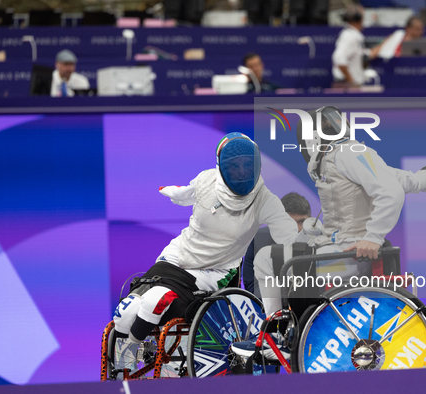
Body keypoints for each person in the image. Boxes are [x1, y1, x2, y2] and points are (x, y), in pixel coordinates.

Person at [232, 106, 426, 360]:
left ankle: (280, 336)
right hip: (335, 248)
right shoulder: (338, 157)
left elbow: (390, 192)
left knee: (269, 259)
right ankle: (279, 332)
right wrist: (425, 179)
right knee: (273, 254)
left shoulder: (349, 154)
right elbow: (398, 180)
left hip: (351, 256)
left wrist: (372, 237)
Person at [112, 132, 314, 375]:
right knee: (129, 310)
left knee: (155, 300)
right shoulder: (206, 180)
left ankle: (131, 353)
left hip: (214, 271)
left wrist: (306, 236)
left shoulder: (265, 200)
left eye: (246, 164)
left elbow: (286, 232)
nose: (241, 171)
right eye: (234, 165)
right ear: (221, 166)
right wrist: (172, 192)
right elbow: (186, 193)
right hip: (177, 255)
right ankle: (127, 356)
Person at [243, 192, 312, 295]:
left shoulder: (319, 239)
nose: (297, 228)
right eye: (290, 222)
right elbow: (253, 287)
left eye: (302, 222)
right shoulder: (257, 240)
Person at [331, 9, 368, 87]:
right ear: (359, 20)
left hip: (349, 84)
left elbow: (367, 54)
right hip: (346, 86)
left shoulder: (354, 35)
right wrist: (351, 80)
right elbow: (338, 58)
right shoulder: (349, 36)